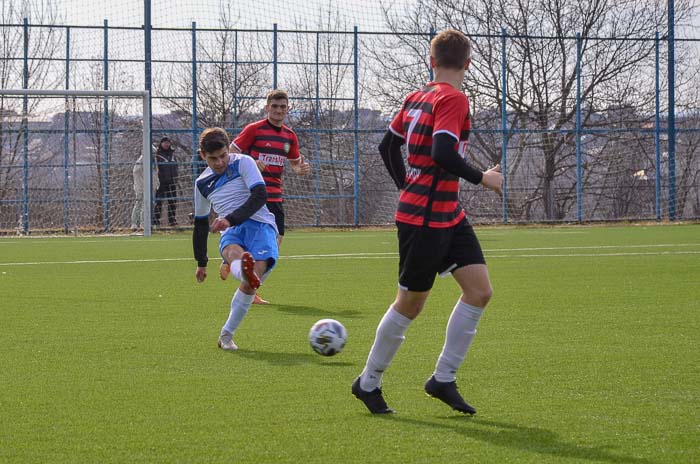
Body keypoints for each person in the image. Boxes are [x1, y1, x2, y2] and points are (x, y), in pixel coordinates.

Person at [351, 29, 503, 415]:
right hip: (423, 221)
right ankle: (368, 382)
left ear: (430, 61)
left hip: (448, 214)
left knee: (479, 291)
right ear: (468, 64)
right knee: (410, 304)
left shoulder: (418, 97)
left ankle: (443, 379)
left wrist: (406, 184)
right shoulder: (453, 98)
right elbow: (443, 151)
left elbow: (388, 146)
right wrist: (483, 178)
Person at [192, 127, 279, 352]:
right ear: (202, 155)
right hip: (231, 231)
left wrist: (230, 219)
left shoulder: (243, 163)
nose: (220, 162)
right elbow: (201, 224)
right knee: (232, 250)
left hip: (261, 225)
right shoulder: (201, 184)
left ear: (228, 149)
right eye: (213, 159)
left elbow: (260, 196)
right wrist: (201, 262)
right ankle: (239, 266)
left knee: (253, 279)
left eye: (223, 155)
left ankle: (226, 334)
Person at [222, 89, 311, 304]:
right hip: (253, 195)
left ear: (287, 109)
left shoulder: (289, 136)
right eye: (275, 106)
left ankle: (234, 266)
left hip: (275, 196)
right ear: (267, 108)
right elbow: (232, 152)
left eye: (283, 107)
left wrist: (300, 170)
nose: (279, 110)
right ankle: (247, 287)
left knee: (274, 245)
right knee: (262, 243)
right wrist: (250, 162)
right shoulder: (254, 129)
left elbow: (294, 163)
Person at [154, 136, 178, 227]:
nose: (166, 144)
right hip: (161, 181)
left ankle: (172, 220)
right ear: (161, 143)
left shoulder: (172, 154)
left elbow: (175, 166)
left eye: (168, 142)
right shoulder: (157, 154)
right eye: (165, 142)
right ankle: (156, 221)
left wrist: (175, 176)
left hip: (171, 180)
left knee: (172, 201)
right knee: (159, 201)